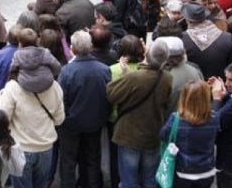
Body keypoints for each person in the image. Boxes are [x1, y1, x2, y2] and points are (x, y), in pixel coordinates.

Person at [0, 31, 65, 188]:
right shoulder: (54, 86)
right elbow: (60, 119)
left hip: (21, 148)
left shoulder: (13, 87)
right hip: (46, 148)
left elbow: (2, 117)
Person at [106, 40, 172, 188]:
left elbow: (111, 95)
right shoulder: (167, 78)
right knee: (150, 179)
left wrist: (125, 75)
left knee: (129, 180)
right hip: (153, 134)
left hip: (129, 135)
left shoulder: (135, 77)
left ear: (147, 54)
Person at [57, 30, 111, 188]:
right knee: (93, 158)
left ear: (72, 49)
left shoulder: (66, 72)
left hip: (71, 123)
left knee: (68, 160)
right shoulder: (104, 70)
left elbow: (62, 99)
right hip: (95, 122)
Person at [159, 81, 220, 188]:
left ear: (185, 98)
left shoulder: (176, 119)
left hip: (182, 171)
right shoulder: (215, 118)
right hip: (206, 171)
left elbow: (162, 135)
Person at [181, 2, 232, 79]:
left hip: (194, 88)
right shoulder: (228, 38)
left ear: (188, 20)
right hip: (222, 86)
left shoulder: (181, 40)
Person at [209, 61, 232, 188]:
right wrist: (225, 94)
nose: (227, 84)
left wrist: (216, 99)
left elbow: (213, 124)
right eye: (226, 79)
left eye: (231, 80)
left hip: (230, 162)